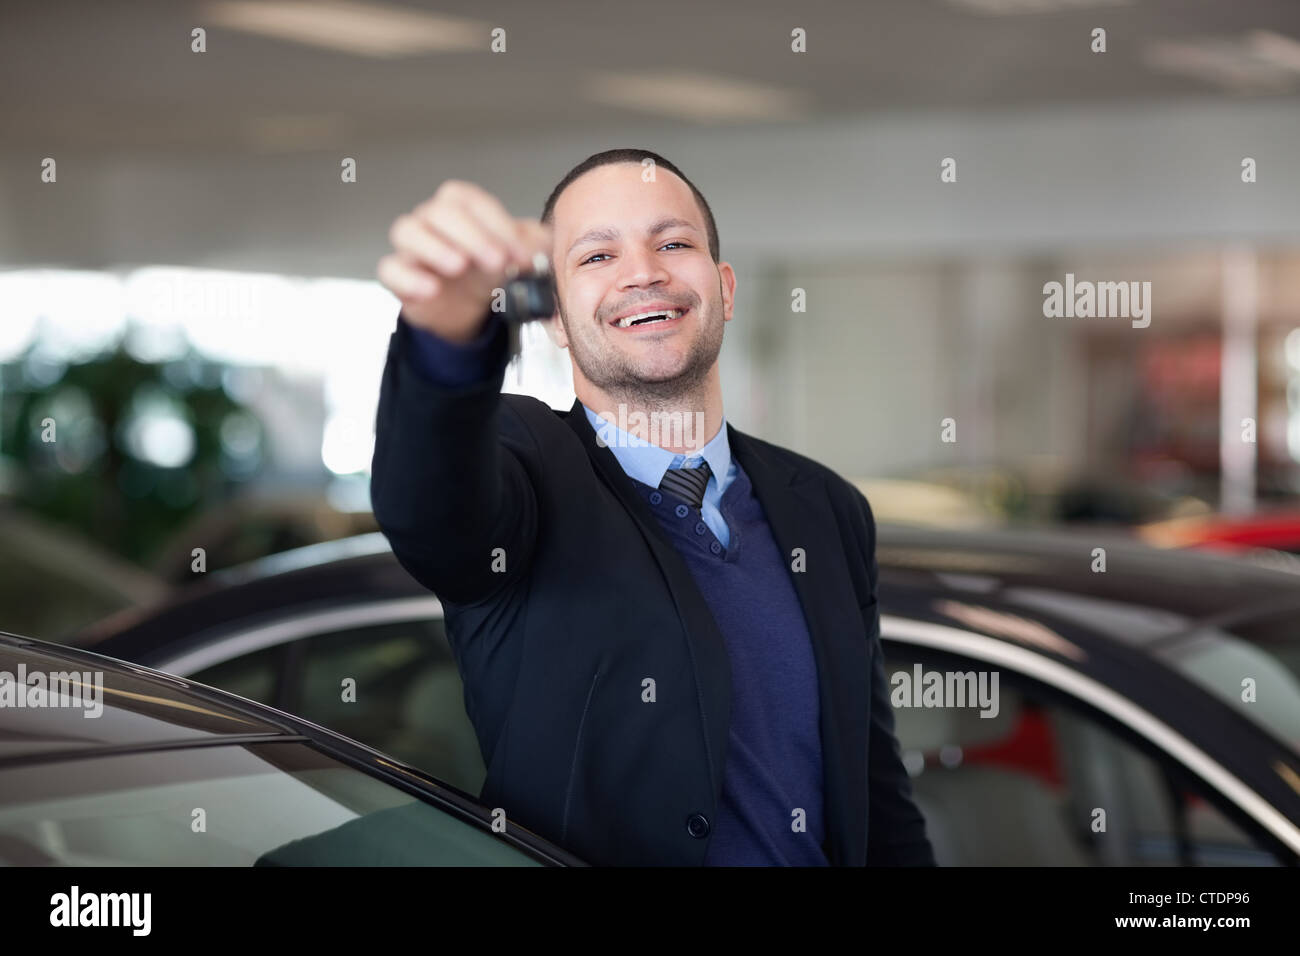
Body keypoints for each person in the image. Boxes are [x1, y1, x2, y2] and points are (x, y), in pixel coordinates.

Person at [370, 147, 935, 866]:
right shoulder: (527, 473)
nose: (643, 272)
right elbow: (430, 510)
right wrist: (447, 337)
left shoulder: (826, 507)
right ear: (554, 319)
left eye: (672, 243)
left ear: (725, 289)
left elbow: (875, 791)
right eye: (597, 256)